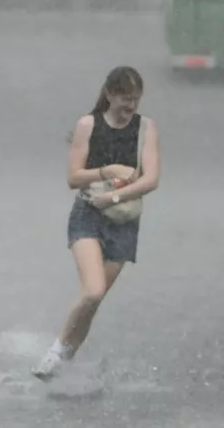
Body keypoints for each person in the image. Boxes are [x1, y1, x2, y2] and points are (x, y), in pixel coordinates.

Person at [31, 66, 160, 381]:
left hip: (124, 221)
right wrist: (109, 170)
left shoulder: (146, 129)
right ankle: (54, 353)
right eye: (124, 99)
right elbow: (73, 178)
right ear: (109, 94)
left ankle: (63, 364)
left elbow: (152, 179)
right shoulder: (88, 125)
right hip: (88, 215)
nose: (130, 106)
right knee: (93, 290)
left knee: (95, 300)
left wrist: (115, 198)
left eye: (135, 99)